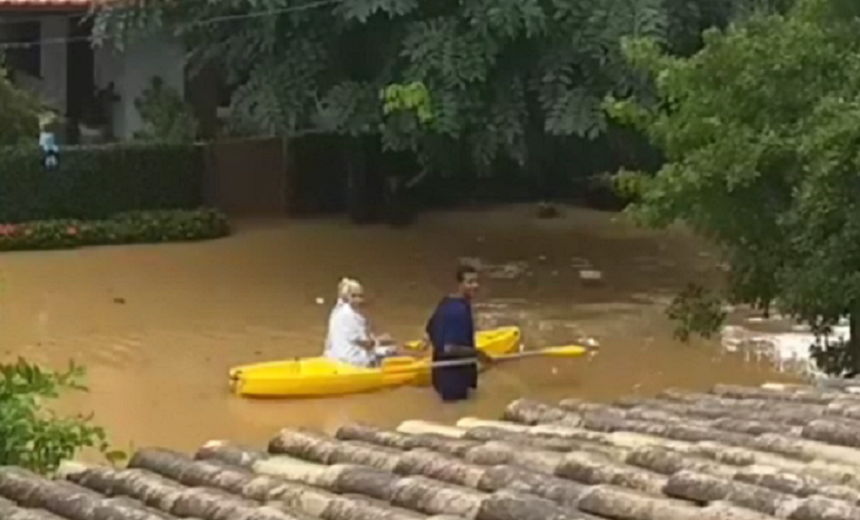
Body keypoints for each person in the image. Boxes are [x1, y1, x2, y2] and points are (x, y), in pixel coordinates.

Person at [425, 264, 492, 402]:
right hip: (454, 379)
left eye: (476, 281)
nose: (475, 285)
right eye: (470, 282)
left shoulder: (445, 302)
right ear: (460, 284)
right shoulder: (459, 311)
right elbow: (450, 348)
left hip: (440, 377)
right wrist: (478, 354)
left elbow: (430, 330)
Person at [324, 278, 395, 367]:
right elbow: (366, 343)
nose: (359, 299)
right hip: (353, 359)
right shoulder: (353, 316)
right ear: (348, 296)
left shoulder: (336, 311)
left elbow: (329, 340)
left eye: (361, 296)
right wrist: (381, 341)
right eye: (355, 296)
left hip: (335, 356)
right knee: (391, 351)